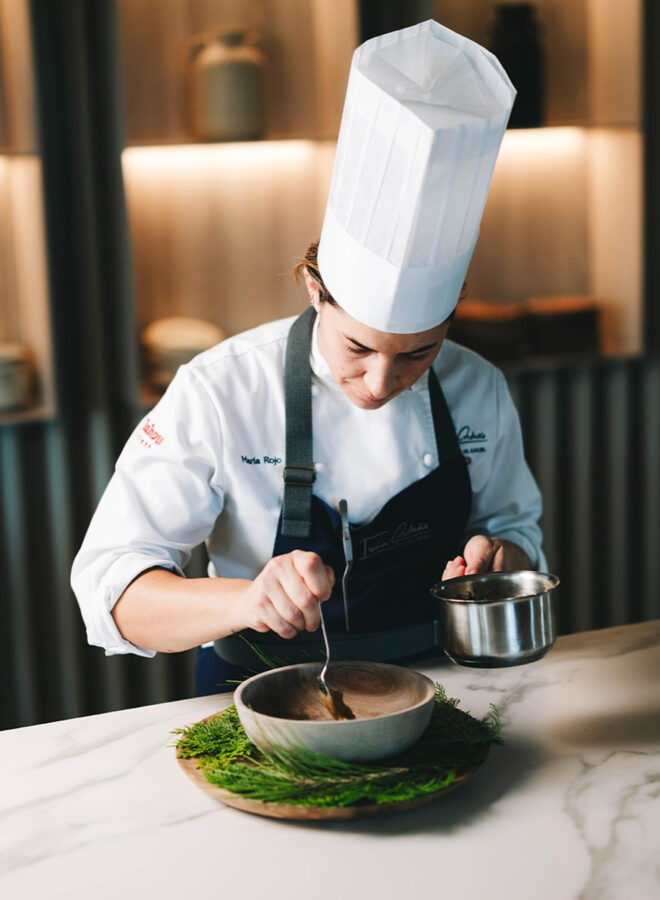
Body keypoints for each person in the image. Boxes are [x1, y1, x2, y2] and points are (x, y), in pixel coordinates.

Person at [71, 20, 546, 694]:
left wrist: (499, 556)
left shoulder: (478, 386)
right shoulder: (221, 387)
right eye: (358, 347)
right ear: (314, 290)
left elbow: (513, 527)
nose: (381, 382)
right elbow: (110, 585)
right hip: (257, 695)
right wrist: (243, 600)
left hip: (445, 689)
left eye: (418, 354)